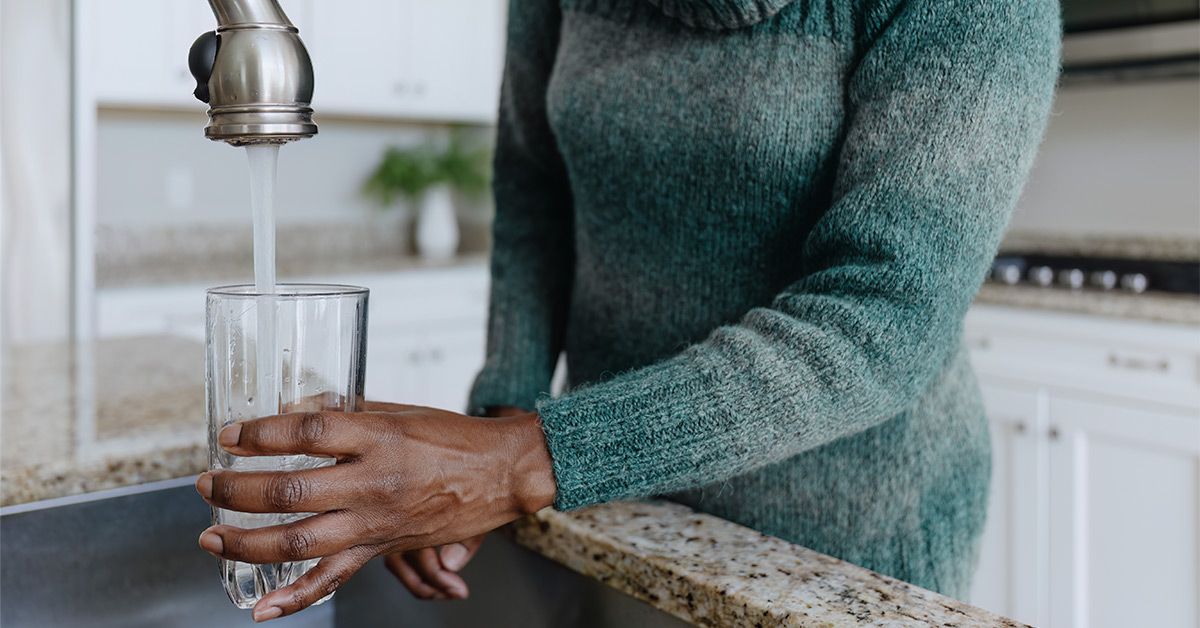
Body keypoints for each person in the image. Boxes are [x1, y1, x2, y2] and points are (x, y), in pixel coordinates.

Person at [194, 0, 1060, 621]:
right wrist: (491, 428)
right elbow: (534, 189)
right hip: (615, 500)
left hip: (841, 537)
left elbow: (883, 319)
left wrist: (514, 464)